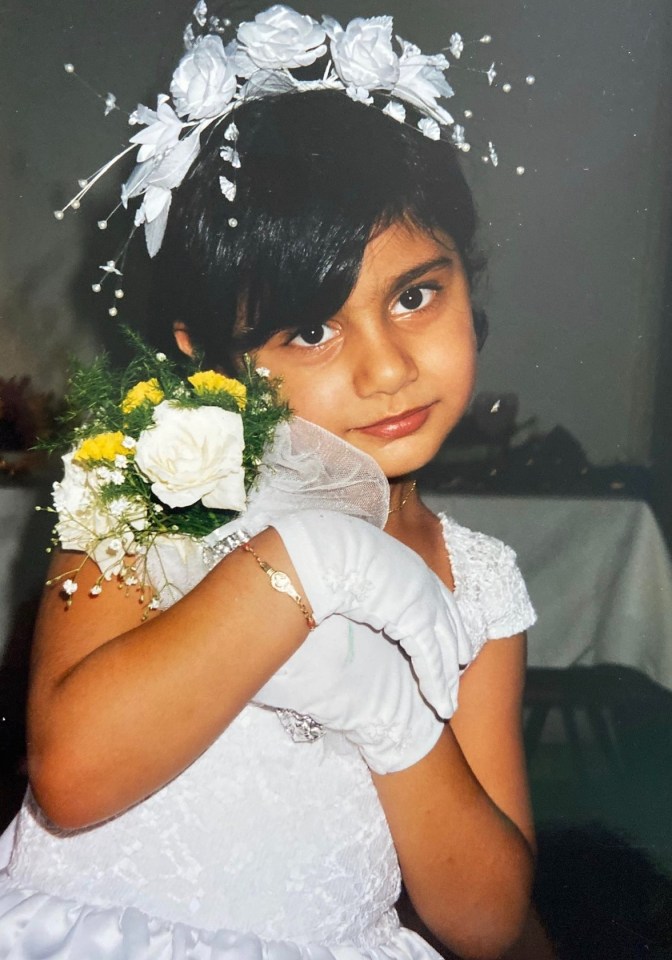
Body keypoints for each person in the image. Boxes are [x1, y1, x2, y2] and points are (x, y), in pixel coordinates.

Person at [0, 7, 554, 959]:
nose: (386, 370)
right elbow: (72, 778)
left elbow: (491, 919)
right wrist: (306, 561)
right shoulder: (162, 479)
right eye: (310, 329)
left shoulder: (481, 580)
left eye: (415, 295)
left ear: (469, 277)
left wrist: (392, 713)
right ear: (204, 351)